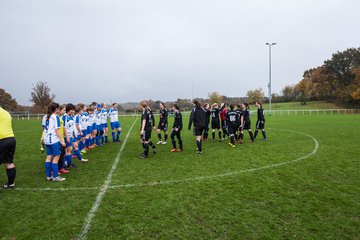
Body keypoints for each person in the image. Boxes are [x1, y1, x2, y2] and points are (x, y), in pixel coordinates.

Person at [43, 102, 66, 182]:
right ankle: (55, 176)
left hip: (46, 140)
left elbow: (44, 129)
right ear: (56, 109)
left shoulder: (45, 117)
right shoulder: (55, 117)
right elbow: (57, 131)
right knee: (56, 158)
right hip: (54, 140)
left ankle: (48, 176)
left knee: (49, 157)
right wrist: (62, 141)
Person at [0, 106, 17, 188]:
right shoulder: (6, 113)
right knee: (9, 162)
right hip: (11, 139)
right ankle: (11, 183)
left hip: (1, 140)